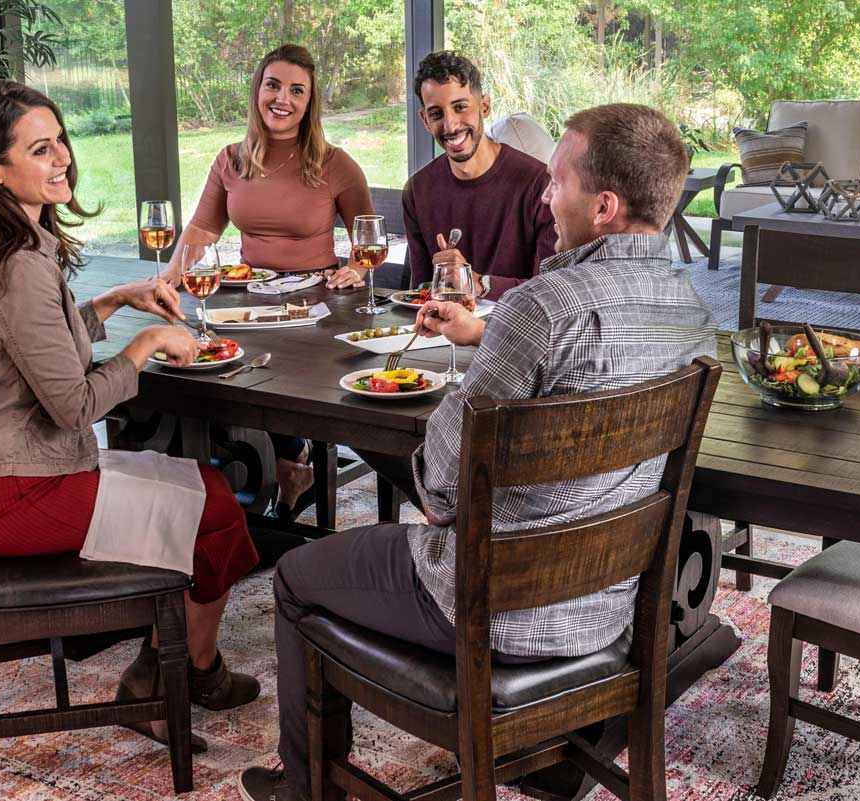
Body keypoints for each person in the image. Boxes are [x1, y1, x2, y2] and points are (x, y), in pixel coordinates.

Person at [237, 102, 717, 801]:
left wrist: (443, 488)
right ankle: (549, 749)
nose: (546, 196)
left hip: (488, 606)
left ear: (605, 205)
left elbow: (436, 488)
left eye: (557, 182)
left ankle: (308, 788)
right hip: (609, 607)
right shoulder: (693, 314)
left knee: (294, 575)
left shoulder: (543, 307)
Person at [0, 79, 260, 753]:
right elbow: (73, 404)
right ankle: (179, 676)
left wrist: (110, 302)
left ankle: (169, 671)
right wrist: (146, 341)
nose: (61, 161)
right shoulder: (15, 262)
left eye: (60, 144)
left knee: (203, 486)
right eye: (39, 149)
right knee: (217, 503)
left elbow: (30, 344)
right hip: (17, 494)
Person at [164, 44, 376, 518]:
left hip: (317, 305)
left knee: (271, 371)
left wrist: (357, 267)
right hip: (246, 297)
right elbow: (201, 232)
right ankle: (254, 476)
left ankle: (288, 461)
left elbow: (368, 238)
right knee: (197, 359)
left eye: (296, 90)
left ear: (309, 102)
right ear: (258, 89)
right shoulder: (231, 159)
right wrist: (167, 275)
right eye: (273, 85)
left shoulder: (335, 163)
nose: (283, 98)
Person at [403, 51, 557, 301]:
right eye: (436, 114)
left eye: (460, 107)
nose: (450, 126)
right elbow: (421, 291)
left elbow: (550, 290)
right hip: (441, 336)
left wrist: (480, 284)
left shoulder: (540, 185)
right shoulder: (417, 191)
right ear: (424, 120)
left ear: (484, 106)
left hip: (518, 332)